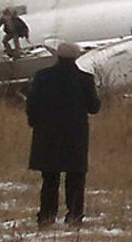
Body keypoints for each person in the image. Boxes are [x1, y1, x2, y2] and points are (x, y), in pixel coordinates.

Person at [26, 42, 101, 228]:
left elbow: (32, 104)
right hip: (75, 135)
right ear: (76, 57)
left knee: (50, 178)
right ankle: (74, 215)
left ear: (57, 56)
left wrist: (35, 123)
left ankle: (46, 216)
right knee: (75, 177)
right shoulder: (85, 79)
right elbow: (94, 107)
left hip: (47, 134)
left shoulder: (42, 77)